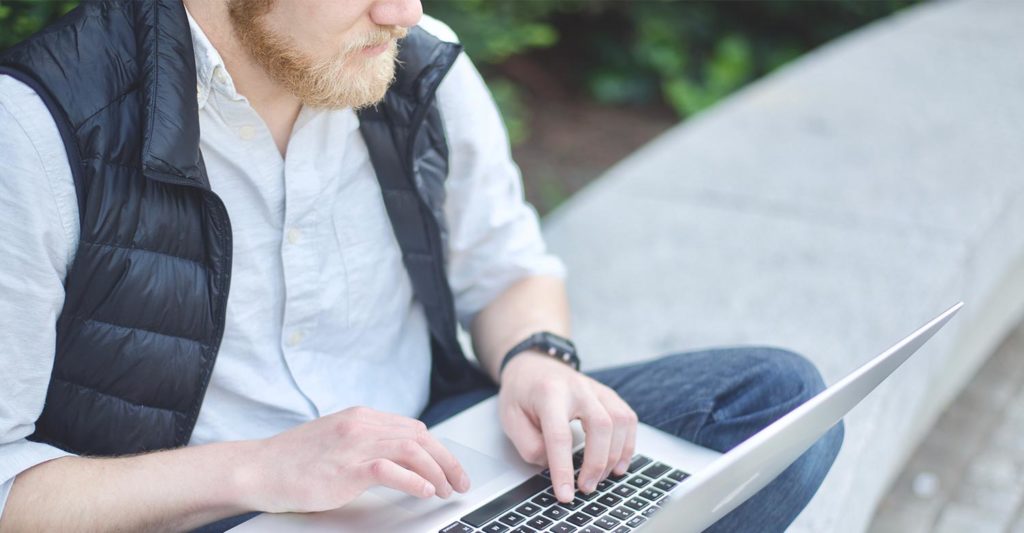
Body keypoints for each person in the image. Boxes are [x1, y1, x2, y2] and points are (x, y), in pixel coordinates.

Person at [0, 1, 843, 531]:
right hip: (226, 509)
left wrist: (538, 359)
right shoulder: (36, 129)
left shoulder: (413, 55)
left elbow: (509, 265)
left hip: (443, 460)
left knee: (776, 406)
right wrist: (263, 468)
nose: (402, 11)